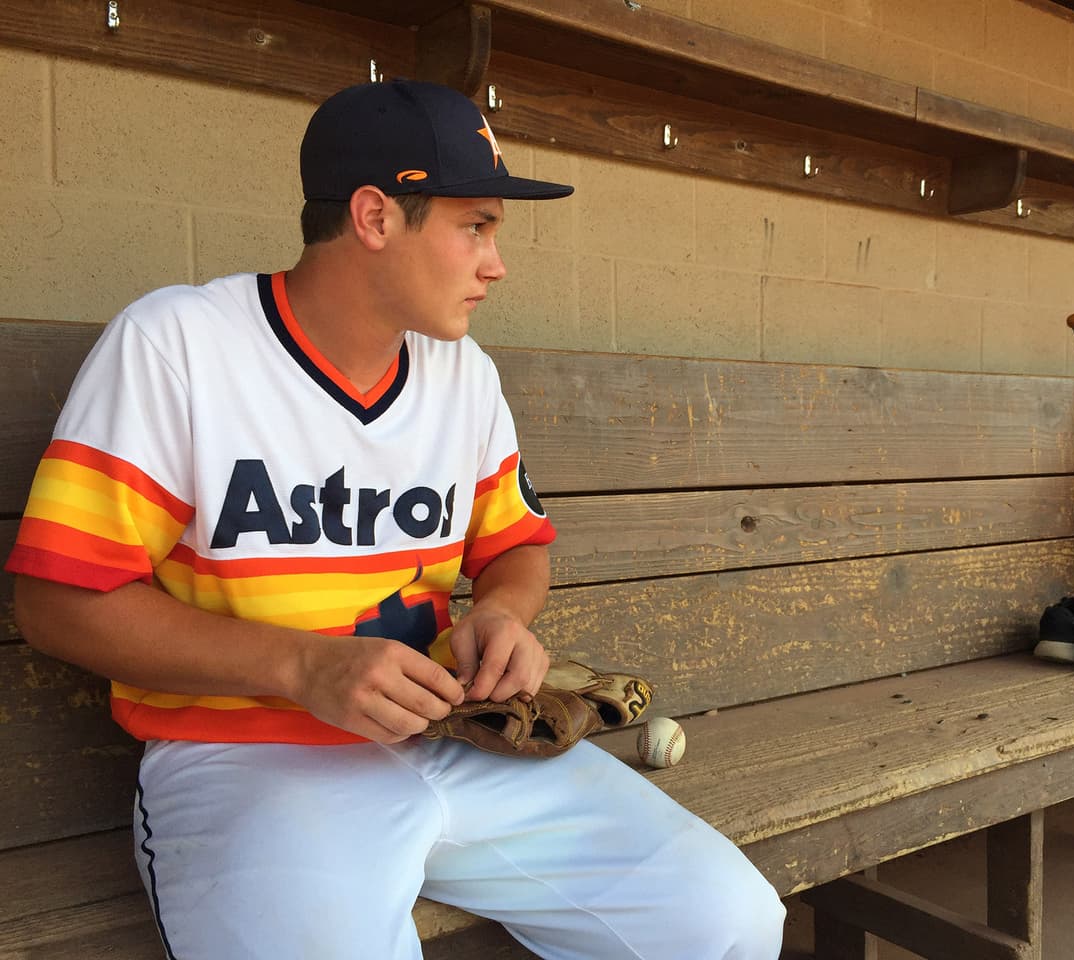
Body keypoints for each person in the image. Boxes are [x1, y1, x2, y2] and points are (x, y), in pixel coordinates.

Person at [6, 80, 785, 959]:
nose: (496, 264)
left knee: (729, 922)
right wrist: (301, 664)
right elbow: (58, 601)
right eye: (476, 228)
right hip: (242, 755)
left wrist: (501, 614)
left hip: (455, 739)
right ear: (375, 217)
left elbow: (517, 551)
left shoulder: (463, 376)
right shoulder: (178, 345)